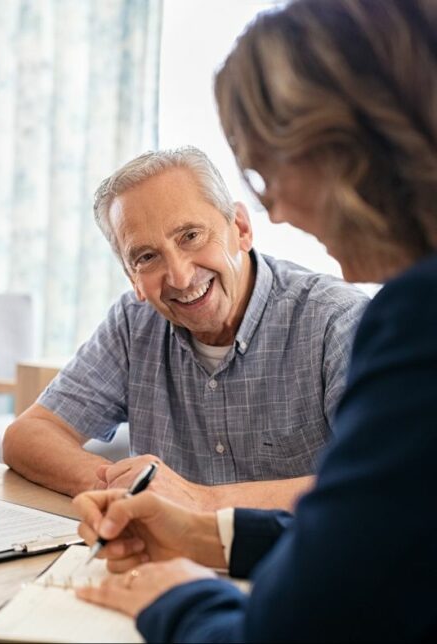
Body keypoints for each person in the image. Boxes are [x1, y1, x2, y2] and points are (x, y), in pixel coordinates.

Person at [73, 0, 437, 640]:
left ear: (345, 148)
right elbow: (372, 531)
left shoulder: (411, 320)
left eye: (268, 168)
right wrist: (204, 534)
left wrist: (179, 598)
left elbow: (291, 629)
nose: (278, 208)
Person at [3, 147, 368, 511]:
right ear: (133, 278)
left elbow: (382, 480)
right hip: (163, 549)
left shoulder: (337, 320)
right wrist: (125, 489)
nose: (179, 276)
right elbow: (28, 435)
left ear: (240, 228)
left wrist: (199, 501)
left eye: (191, 236)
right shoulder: (133, 323)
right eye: (147, 257)